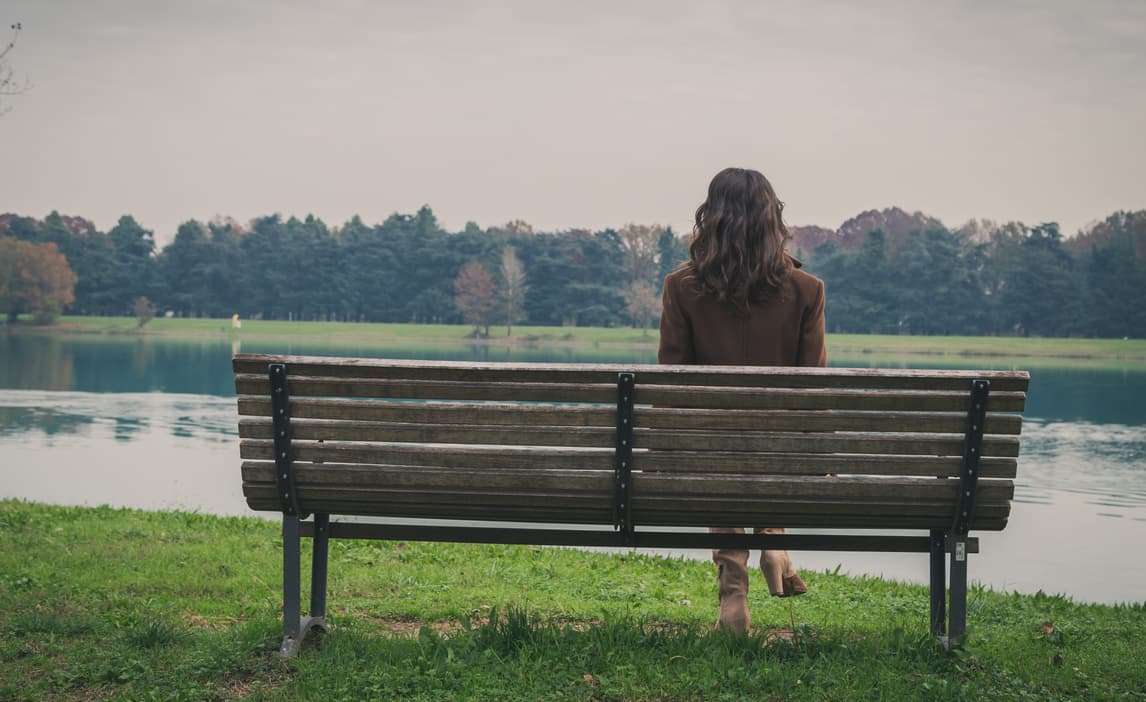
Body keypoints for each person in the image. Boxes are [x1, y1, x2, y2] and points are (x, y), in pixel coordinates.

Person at [657, 166, 827, 633]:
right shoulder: (807, 291)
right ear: (773, 219)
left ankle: (734, 596)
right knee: (762, 445)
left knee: (718, 450)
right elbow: (813, 394)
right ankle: (773, 540)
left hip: (710, 454)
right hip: (779, 456)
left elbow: (671, 389)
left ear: (710, 219)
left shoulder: (682, 288)